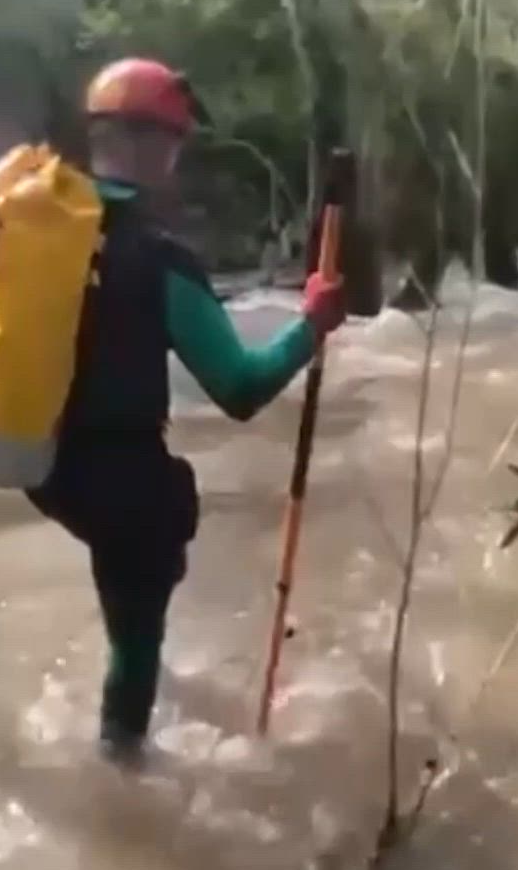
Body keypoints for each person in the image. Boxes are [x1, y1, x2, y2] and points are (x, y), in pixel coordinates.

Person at [27, 57, 347, 767]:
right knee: (138, 624)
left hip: (45, 466)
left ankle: (131, 658)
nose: (175, 161)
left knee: (124, 571)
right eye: (173, 145)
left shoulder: (41, 225)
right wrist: (313, 323)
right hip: (120, 480)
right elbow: (239, 387)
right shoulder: (158, 256)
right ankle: (122, 772)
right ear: (148, 145)